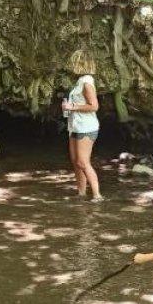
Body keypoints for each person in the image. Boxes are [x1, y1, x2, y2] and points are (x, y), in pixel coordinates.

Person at [62, 50, 102, 200]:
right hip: (76, 126)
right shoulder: (80, 81)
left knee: (82, 162)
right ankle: (81, 193)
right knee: (75, 161)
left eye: (73, 62)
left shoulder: (87, 83)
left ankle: (97, 195)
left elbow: (94, 106)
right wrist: (68, 107)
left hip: (86, 127)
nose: (70, 65)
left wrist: (72, 107)